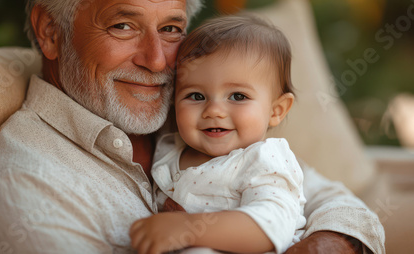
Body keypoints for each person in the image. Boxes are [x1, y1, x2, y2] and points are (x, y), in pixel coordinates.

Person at [0, 0, 384, 253]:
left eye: (170, 29)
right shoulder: (22, 180)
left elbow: (332, 199)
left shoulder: (196, 114)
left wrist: (332, 243)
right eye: (123, 26)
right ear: (50, 31)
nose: (158, 60)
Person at [130, 15, 306, 254]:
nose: (213, 110)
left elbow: (272, 225)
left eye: (238, 96)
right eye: (196, 96)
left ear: (276, 111)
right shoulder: (170, 147)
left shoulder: (264, 160)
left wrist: (188, 228)